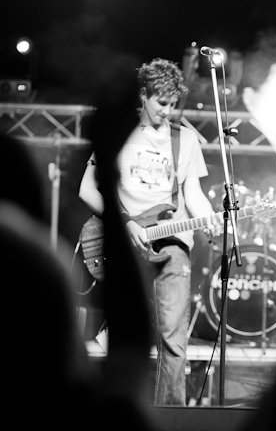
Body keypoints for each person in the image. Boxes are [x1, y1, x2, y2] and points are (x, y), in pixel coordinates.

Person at [79, 57, 218, 406]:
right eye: (162, 103)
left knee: (173, 336)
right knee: (127, 335)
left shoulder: (185, 140)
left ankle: (172, 416)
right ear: (144, 95)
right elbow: (86, 188)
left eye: (173, 105)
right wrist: (125, 222)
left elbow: (193, 194)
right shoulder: (121, 135)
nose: (168, 112)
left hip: (172, 242)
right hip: (126, 242)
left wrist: (209, 217)